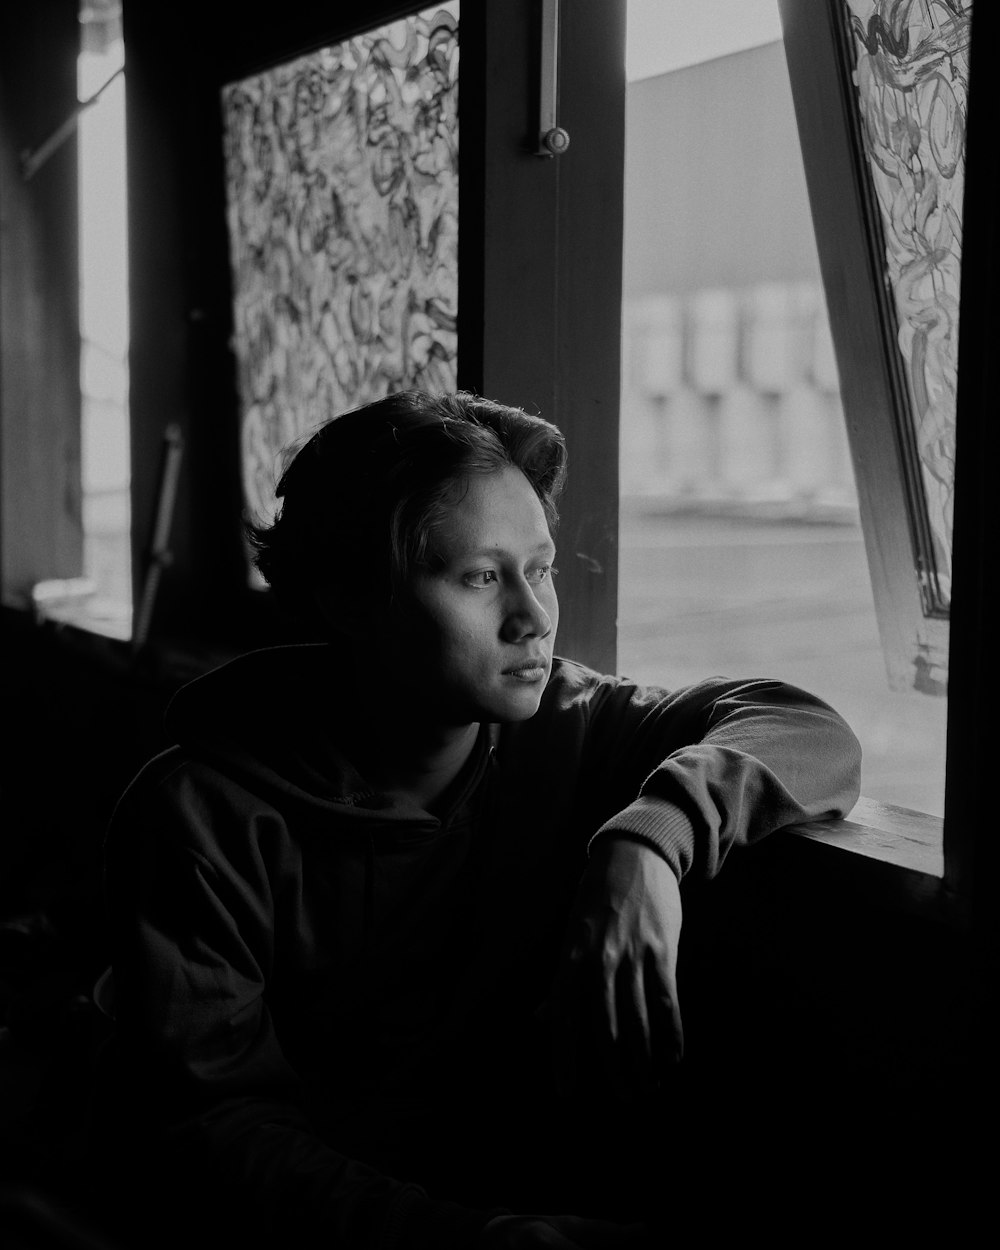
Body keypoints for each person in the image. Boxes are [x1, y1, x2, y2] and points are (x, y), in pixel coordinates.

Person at [101, 390, 862, 1249]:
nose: (534, 618)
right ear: (350, 599)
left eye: (539, 569)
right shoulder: (199, 820)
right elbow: (212, 1137)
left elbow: (809, 730)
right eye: (481, 576)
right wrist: (481, 1245)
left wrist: (647, 840)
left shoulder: (568, 727)